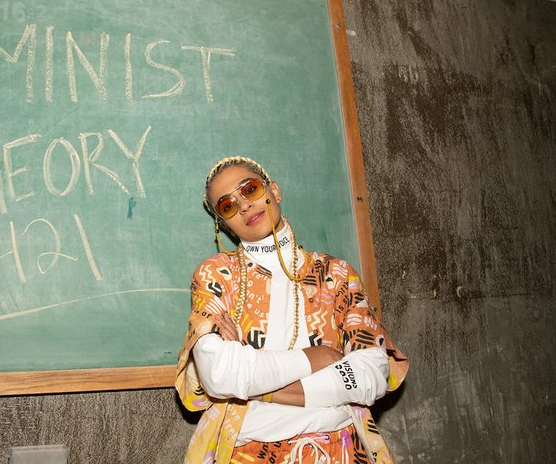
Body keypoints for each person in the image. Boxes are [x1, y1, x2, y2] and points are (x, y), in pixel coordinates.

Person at [175, 157, 409, 464]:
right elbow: (219, 375)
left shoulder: (335, 273)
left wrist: (256, 385)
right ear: (223, 224)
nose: (244, 205)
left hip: (341, 450)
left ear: (274, 190)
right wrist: (313, 358)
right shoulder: (217, 275)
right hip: (247, 454)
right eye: (228, 205)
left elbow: (370, 376)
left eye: (250, 189)